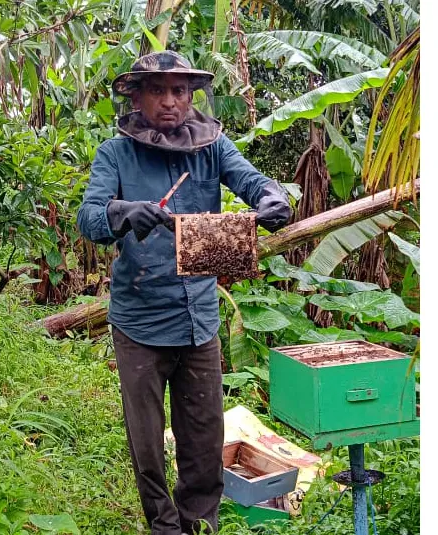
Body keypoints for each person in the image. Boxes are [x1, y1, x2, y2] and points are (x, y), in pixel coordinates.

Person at [76, 51, 291, 535]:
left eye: (179, 91)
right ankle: (164, 526)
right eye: (157, 90)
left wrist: (271, 197)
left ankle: (200, 524)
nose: (170, 102)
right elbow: (88, 219)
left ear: (192, 95)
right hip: (140, 324)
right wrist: (121, 212)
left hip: (200, 322)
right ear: (136, 96)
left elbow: (251, 180)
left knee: (203, 436)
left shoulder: (212, 146)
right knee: (148, 444)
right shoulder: (116, 154)